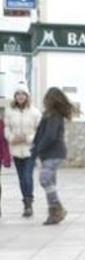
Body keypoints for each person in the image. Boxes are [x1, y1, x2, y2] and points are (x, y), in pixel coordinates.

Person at [31, 87, 74, 225]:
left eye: (47, 99)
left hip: (54, 153)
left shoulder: (54, 116)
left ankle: (57, 208)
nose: (45, 101)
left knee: (45, 180)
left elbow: (50, 136)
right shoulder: (49, 114)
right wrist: (35, 145)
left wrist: (38, 148)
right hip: (50, 154)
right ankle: (54, 212)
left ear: (52, 100)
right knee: (50, 182)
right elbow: (41, 133)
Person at [6, 83, 42, 218]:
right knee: (21, 179)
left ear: (27, 96)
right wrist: (11, 137)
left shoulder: (35, 112)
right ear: (15, 97)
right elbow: (6, 128)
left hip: (29, 150)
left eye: (23, 94)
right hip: (15, 149)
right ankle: (26, 203)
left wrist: (28, 138)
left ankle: (29, 203)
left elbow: (40, 131)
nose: (20, 96)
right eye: (18, 94)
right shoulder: (9, 111)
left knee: (27, 176)